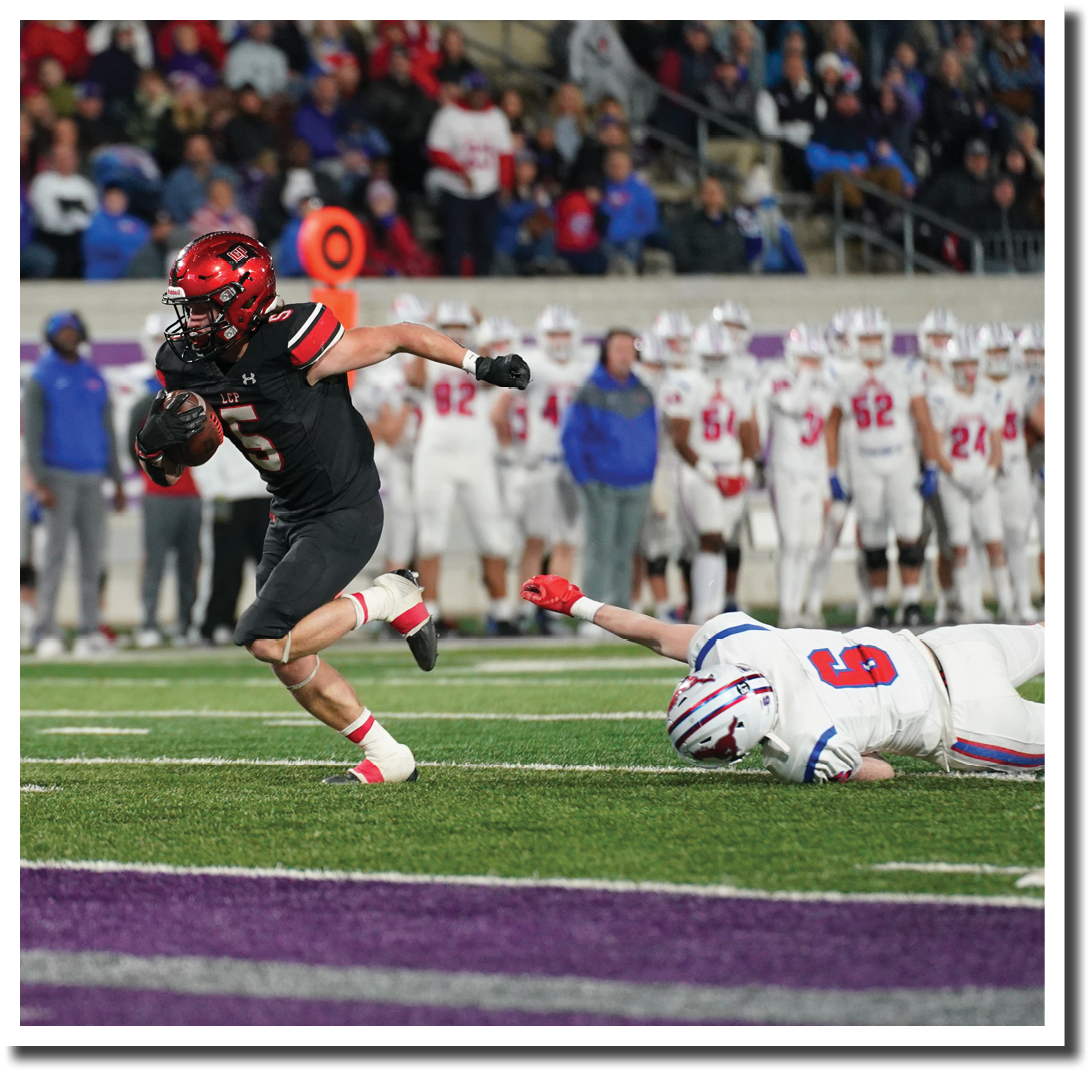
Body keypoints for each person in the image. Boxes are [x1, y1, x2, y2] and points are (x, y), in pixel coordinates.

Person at [134, 233, 530, 784]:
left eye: (203, 306)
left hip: (345, 508)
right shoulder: (183, 363)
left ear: (242, 299)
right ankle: (388, 756)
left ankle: (390, 596)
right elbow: (171, 470)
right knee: (288, 657)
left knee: (266, 637)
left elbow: (397, 338)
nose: (191, 321)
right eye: (189, 307)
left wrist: (478, 364)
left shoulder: (290, 337)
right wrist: (152, 443)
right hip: (288, 510)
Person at [520, 575, 1045, 783]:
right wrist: (576, 603)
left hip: (970, 721)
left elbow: (885, 774)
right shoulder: (742, 646)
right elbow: (656, 634)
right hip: (945, 645)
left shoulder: (799, 744)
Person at [405, 300, 520, 635]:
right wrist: (424, 339)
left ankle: (502, 612)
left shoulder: (476, 356)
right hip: (435, 453)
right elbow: (414, 377)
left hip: (475, 452)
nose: (455, 332)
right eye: (448, 326)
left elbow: (494, 377)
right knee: (431, 537)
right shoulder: (429, 357)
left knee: (492, 535)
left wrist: (480, 336)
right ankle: (432, 615)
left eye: (461, 326)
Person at [826, 307, 941, 628]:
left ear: (887, 338)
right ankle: (879, 605)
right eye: (865, 337)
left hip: (900, 459)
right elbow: (831, 424)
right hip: (865, 462)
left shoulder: (905, 371)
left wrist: (930, 463)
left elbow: (922, 419)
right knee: (873, 536)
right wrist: (832, 471)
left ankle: (911, 601)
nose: (871, 343)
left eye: (876, 337)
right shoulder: (847, 378)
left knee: (909, 534)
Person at [23, 312, 125, 658]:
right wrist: (39, 482)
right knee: (53, 558)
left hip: (93, 477)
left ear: (82, 334)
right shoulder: (41, 378)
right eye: (61, 331)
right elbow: (32, 437)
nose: (68, 336)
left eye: (73, 331)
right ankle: (46, 630)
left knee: (92, 559)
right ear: (51, 337)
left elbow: (108, 432)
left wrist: (117, 479)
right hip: (57, 477)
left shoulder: (94, 376)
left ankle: (89, 631)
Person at [561, 328, 657, 629]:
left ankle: (621, 616)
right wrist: (584, 477)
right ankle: (593, 617)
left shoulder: (642, 389)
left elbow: (651, 436)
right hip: (601, 481)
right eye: (619, 348)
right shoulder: (591, 389)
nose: (625, 355)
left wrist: (648, 471)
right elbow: (571, 436)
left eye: (630, 349)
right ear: (606, 352)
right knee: (598, 550)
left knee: (625, 552)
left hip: (637, 483)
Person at [664, 320, 759, 623]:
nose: (716, 363)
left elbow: (747, 428)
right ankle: (704, 611)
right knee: (710, 537)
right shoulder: (685, 383)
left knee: (722, 540)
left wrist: (746, 464)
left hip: (730, 466)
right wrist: (707, 472)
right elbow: (678, 435)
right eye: (710, 357)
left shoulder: (738, 383)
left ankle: (713, 610)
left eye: (720, 357)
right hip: (700, 470)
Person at [506, 306, 594, 631]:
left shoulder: (587, 368)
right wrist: (513, 452)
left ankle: (556, 611)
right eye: (553, 334)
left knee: (566, 542)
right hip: (540, 463)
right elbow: (500, 410)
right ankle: (523, 609)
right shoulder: (533, 365)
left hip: (572, 465)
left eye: (564, 333)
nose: (559, 341)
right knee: (534, 539)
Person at [926, 332, 1014, 624]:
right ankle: (966, 608)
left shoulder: (989, 395)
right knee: (960, 544)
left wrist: (988, 473)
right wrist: (957, 473)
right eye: (962, 362)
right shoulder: (941, 396)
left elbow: (997, 444)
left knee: (994, 541)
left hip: (982, 476)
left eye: (972, 362)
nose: (968, 369)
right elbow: (936, 446)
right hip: (955, 479)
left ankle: (1008, 606)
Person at [764, 324, 837, 629]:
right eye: (805, 357)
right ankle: (787, 609)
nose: (811, 363)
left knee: (808, 543)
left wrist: (824, 484)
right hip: (785, 471)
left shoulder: (826, 387)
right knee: (791, 541)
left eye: (814, 357)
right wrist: (807, 376)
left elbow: (819, 438)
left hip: (811, 472)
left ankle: (801, 608)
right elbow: (792, 405)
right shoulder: (776, 377)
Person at [127, 380, 204, 647]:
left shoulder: (201, 403)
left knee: (189, 563)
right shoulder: (147, 404)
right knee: (154, 562)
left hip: (194, 494)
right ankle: (148, 623)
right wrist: (156, 473)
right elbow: (133, 446)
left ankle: (185, 624)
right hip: (158, 493)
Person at [426, 71, 514, 277]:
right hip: (456, 190)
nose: (478, 96)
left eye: (481, 91)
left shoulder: (496, 117)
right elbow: (435, 150)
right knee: (455, 242)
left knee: (485, 242)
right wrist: (459, 171)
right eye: (474, 91)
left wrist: (506, 183)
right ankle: (452, 285)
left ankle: (482, 285)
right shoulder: (449, 116)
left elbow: (505, 155)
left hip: (487, 189)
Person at [27, 144, 98, 278]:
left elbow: (91, 215)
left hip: (77, 239)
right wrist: (74, 215)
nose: (67, 162)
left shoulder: (84, 185)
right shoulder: (43, 182)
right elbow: (48, 217)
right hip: (50, 238)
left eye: (70, 158)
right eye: (62, 158)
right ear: (54, 160)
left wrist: (71, 215)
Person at [668, 176, 748, 275]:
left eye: (715, 192)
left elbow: (740, 254)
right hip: (700, 279)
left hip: (732, 280)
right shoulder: (688, 225)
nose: (711, 196)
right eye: (707, 192)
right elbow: (682, 256)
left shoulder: (733, 224)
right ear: (700, 196)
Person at [599, 149, 658, 273]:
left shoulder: (641, 190)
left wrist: (630, 232)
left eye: (619, 166)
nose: (616, 169)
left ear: (629, 166)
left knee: (631, 248)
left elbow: (650, 222)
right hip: (607, 240)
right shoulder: (602, 188)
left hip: (633, 239)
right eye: (612, 166)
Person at [162, 134, 238, 227]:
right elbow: (172, 212)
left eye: (203, 152)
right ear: (186, 154)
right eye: (195, 153)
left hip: (230, 227)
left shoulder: (226, 174)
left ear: (211, 152)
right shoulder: (176, 180)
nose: (199, 157)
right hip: (192, 231)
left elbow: (240, 205)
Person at [81, 184, 150, 280]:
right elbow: (99, 244)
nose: (117, 201)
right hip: (102, 279)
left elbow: (147, 243)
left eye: (120, 197)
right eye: (112, 197)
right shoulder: (95, 221)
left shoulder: (136, 222)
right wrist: (130, 248)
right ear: (104, 200)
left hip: (131, 278)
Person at [223, 21, 289, 100]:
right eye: (260, 27)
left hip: (270, 97)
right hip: (245, 96)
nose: (263, 32)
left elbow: (280, 81)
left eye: (266, 28)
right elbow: (233, 79)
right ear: (252, 29)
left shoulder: (277, 54)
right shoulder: (238, 51)